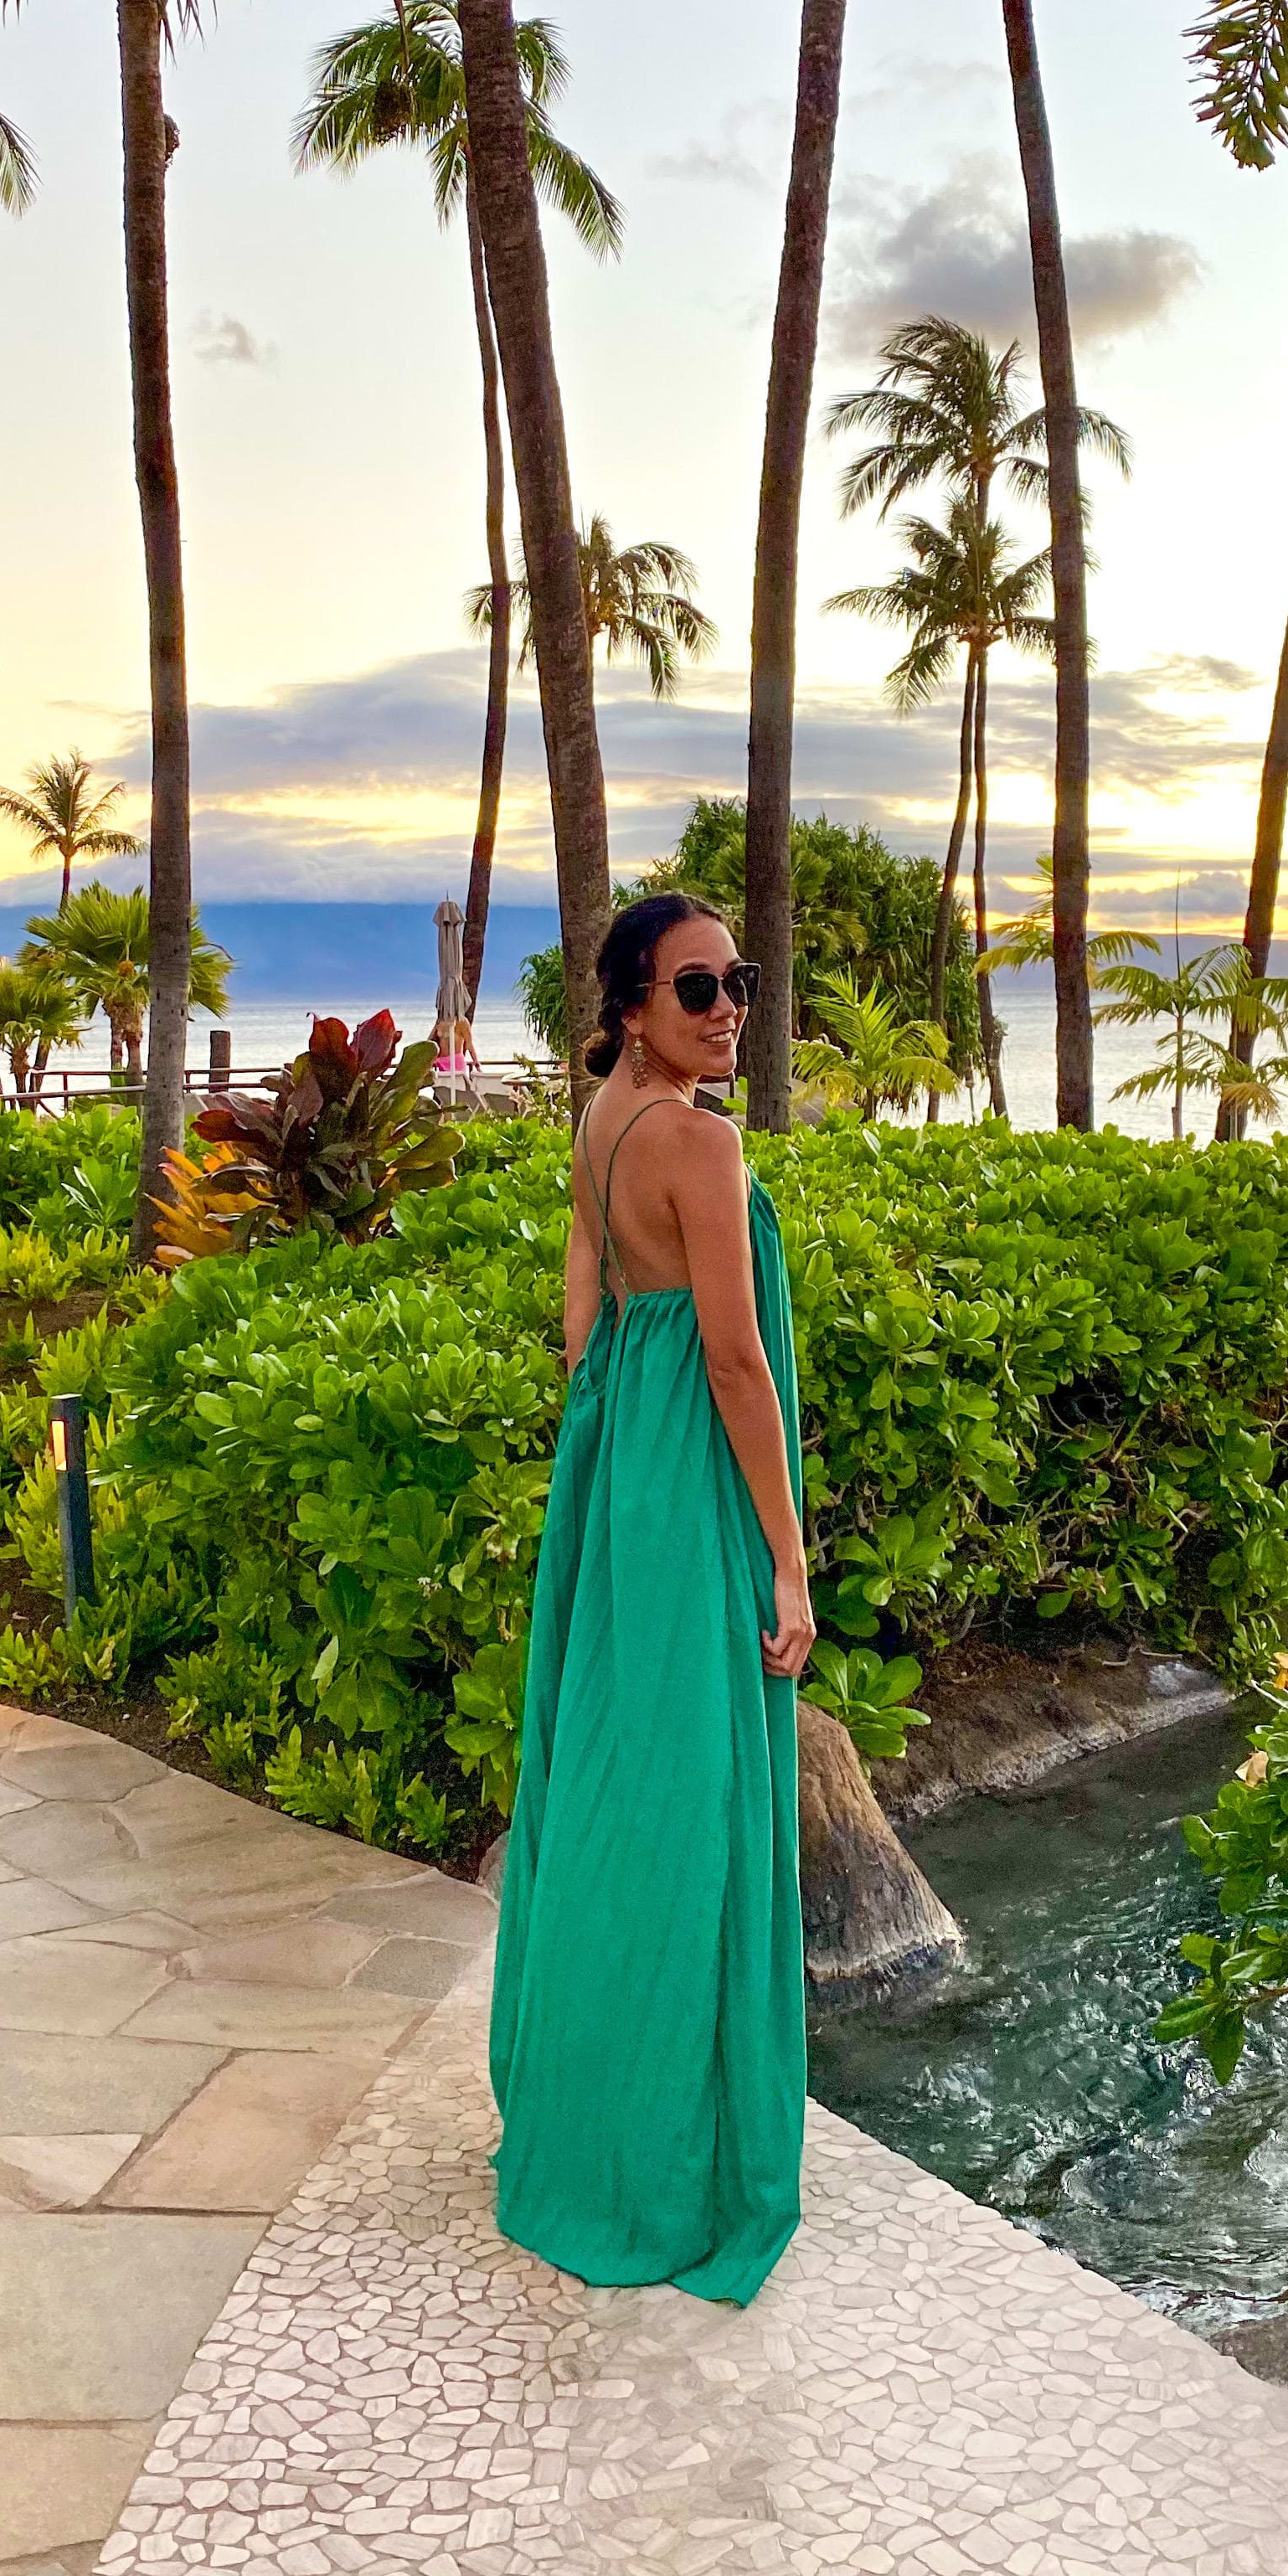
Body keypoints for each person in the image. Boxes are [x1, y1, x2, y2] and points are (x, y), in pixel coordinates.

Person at [487, 893, 814, 2305]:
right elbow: (740, 1367)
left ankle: (587, 2115)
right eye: (697, 989)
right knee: (693, 1820)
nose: (728, 1007)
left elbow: (585, 1323)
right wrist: (789, 1557)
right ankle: (667, 2161)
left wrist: (620, 1427)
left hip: (620, 1474)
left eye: (738, 981)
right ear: (630, 1004)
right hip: (689, 1492)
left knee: (614, 1796)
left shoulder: (606, 1121)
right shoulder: (700, 1140)